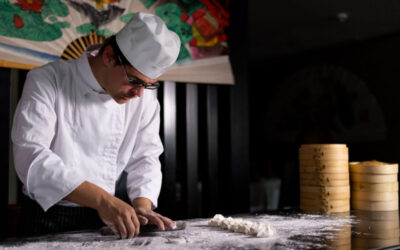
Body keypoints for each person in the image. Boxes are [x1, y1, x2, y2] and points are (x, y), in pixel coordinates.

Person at [11, 12, 181, 238]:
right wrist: (103, 200)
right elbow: (31, 157)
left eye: (148, 85)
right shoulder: (47, 81)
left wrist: (143, 205)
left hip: (109, 218)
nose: (139, 93)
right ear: (109, 56)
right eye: (134, 81)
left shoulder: (143, 97)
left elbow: (146, 155)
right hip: (50, 216)